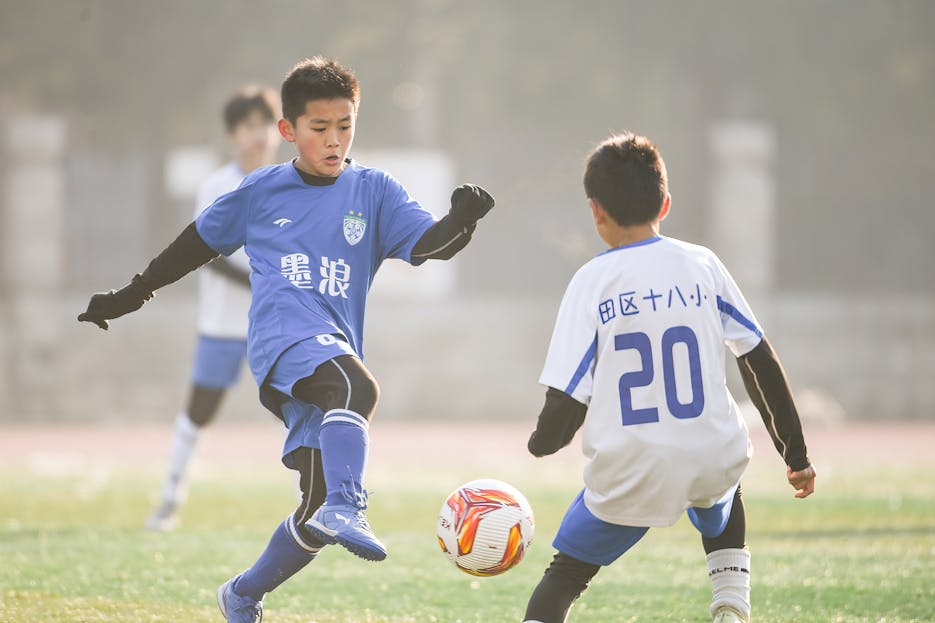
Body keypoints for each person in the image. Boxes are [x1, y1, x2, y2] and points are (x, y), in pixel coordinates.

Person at [78, 56, 495, 623]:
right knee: (358, 389)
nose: (334, 140)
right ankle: (352, 503)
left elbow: (430, 246)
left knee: (315, 507)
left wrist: (461, 221)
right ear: (289, 131)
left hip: (330, 347)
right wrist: (134, 292)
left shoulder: (374, 191)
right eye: (319, 129)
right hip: (282, 339)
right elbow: (195, 243)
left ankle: (243, 593)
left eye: (345, 126)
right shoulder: (262, 190)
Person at [521, 132, 815, 623]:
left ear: (596, 210)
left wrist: (540, 444)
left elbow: (567, 399)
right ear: (666, 202)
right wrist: (797, 455)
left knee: (567, 572)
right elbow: (758, 359)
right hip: (711, 451)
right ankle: (731, 603)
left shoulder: (592, 281)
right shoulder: (702, 263)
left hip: (634, 465)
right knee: (722, 488)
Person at [145, 85, 281, 532]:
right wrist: (260, 280)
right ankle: (169, 500)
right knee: (199, 413)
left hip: (276, 325)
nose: (258, 135)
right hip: (223, 324)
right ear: (233, 134)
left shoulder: (290, 184)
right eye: (248, 127)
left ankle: (319, 504)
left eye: (266, 125)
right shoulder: (218, 186)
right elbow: (207, 254)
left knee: (302, 409)